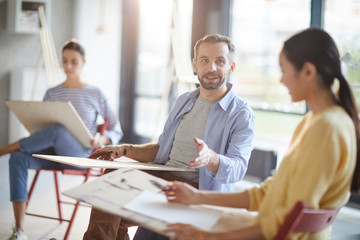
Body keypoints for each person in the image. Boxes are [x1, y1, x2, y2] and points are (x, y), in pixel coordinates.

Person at [161, 28, 360, 240]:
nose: (282, 81)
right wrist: (197, 197)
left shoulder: (326, 129)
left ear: (309, 72)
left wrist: (209, 236)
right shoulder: (317, 121)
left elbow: (288, 221)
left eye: (284, 70)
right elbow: (268, 194)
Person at [83, 33, 256, 240]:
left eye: (220, 61)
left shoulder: (241, 114)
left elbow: (238, 168)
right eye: (204, 60)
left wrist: (211, 158)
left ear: (231, 67)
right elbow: (161, 150)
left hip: (197, 191)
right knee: (110, 185)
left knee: (116, 213)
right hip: (163, 179)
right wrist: (124, 150)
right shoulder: (184, 101)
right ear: (195, 65)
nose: (211, 68)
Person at [0, 39, 123, 240]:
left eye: (74, 61)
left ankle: (2, 149)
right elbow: (41, 128)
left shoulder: (95, 92)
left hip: (81, 154)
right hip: (51, 153)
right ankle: (20, 230)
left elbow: (117, 128)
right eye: (64, 61)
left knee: (57, 130)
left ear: (83, 62)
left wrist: (102, 139)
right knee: (17, 158)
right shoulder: (52, 92)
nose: (68, 66)